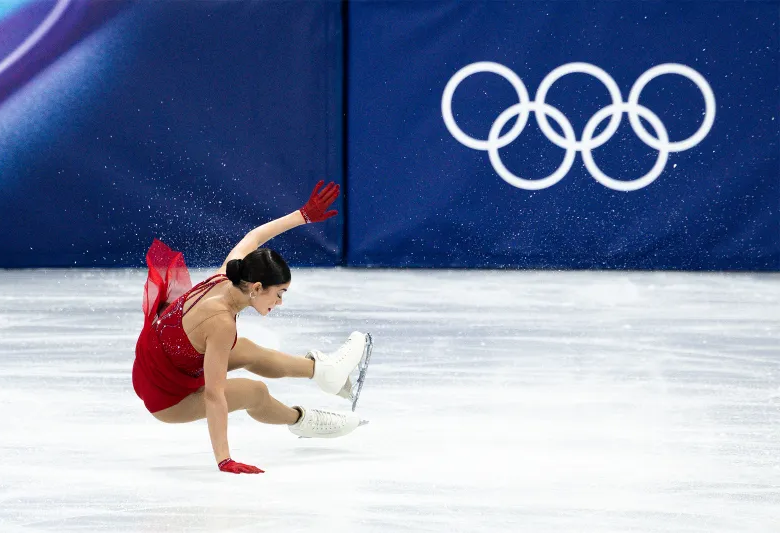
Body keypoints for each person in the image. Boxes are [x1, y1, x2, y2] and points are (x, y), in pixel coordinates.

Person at [132, 181, 369, 474]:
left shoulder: (228, 275)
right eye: (279, 293)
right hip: (167, 398)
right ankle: (303, 420)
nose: (280, 302)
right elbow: (214, 395)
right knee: (254, 392)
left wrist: (303, 215)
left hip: (157, 366)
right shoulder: (220, 322)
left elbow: (254, 237)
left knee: (248, 351)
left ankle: (325, 372)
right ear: (256, 288)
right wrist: (224, 459)